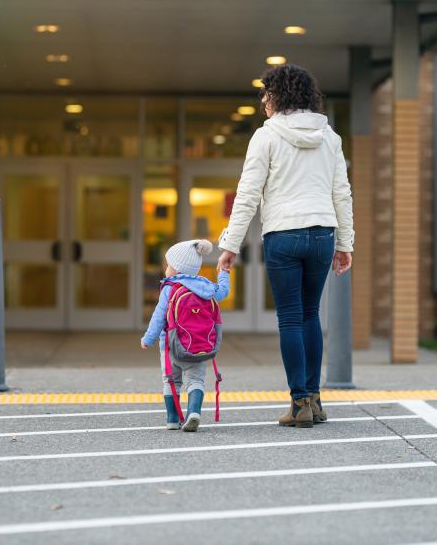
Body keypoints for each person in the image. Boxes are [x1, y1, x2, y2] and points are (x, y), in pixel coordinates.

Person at [218, 64, 354, 428]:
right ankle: (315, 399)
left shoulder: (266, 136)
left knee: (291, 318)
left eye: (266, 93)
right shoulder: (330, 137)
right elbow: (341, 193)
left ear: (278, 96)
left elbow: (247, 194)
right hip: (323, 234)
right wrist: (345, 243)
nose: (263, 100)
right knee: (311, 315)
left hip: (283, 236)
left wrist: (231, 244)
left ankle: (298, 404)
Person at [141, 239, 230, 431]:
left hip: (170, 346)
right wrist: (224, 273)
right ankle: (193, 412)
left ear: (177, 268)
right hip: (198, 345)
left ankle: (173, 419)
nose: (166, 268)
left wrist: (148, 338)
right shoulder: (205, 287)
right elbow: (223, 292)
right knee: (196, 380)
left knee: (171, 380)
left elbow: (158, 316)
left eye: (168, 265)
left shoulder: (170, 288)